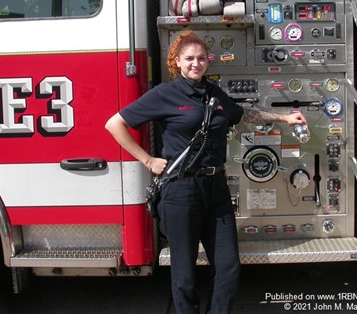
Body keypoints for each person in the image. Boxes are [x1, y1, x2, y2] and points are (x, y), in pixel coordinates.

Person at [105, 30, 307, 314]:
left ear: (208, 61)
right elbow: (115, 124)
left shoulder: (214, 92)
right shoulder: (165, 94)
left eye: (201, 58)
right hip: (181, 190)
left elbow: (243, 114)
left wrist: (284, 117)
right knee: (185, 276)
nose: (195, 63)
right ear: (177, 61)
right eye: (189, 59)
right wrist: (148, 160)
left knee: (228, 268)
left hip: (217, 190)